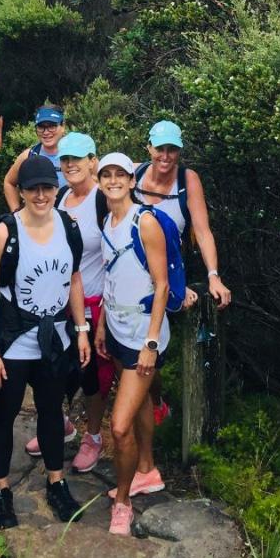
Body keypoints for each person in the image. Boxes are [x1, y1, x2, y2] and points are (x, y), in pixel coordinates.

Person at [0, 155, 89, 530]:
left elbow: (74, 279)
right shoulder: (5, 232)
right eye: (32, 188)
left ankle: (56, 481)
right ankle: (1, 490)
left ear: (55, 188)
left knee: (51, 411)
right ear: (21, 191)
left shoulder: (67, 225)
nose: (40, 195)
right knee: (4, 413)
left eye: (47, 187)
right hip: (14, 340)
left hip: (54, 339)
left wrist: (82, 329)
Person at [133, 120, 231, 424]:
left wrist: (213, 274)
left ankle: (153, 401)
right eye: (160, 148)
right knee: (129, 342)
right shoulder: (131, 172)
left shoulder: (188, 180)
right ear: (148, 147)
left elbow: (202, 231)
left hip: (166, 276)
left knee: (153, 348)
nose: (165, 155)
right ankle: (138, 401)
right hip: (130, 273)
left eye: (172, 149)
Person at [23, 132, 112, 470]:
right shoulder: (59, 197)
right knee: (54, 366)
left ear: (93, 161)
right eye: (65, 159)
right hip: (58, 301)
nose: (71, 164)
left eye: (78, 157)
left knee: (91, 375)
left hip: (94, 303)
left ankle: (93, 436)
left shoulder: (104, 199)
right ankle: (61, 424)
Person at [94, 153, 171, 536]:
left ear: (130, 179)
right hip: (119, 330)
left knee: (119, 426)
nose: (112, 180)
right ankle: (147, 470)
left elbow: (162, 285)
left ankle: (122, 503)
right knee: (140, 403)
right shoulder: (108, 220)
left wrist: (151, 343)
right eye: (106, 175)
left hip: (144, 335)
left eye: (119, 174)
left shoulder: (146, 222)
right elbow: (112, 278)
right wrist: (103, 327)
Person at [2, 106, 66, 210]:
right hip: (38, 221)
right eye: (41, 127)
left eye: (52, 126)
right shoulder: (29, 155)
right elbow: (9, 182)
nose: (46, 132)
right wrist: (16, 215)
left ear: (63, 126)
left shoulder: (76, 154)